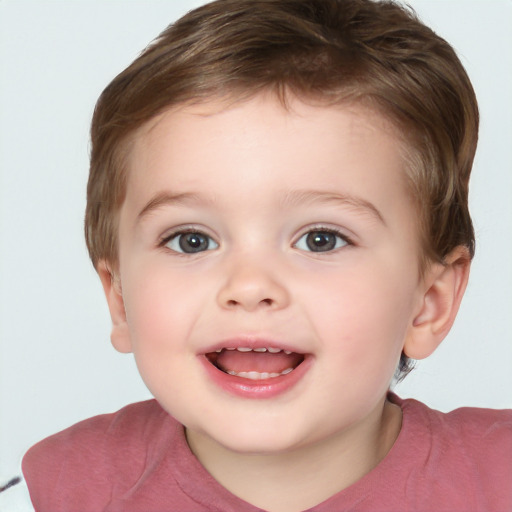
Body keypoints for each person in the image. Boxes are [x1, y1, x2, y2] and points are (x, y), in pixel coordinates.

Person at [2, 0, 511, 510]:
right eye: (191, 240)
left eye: (321, 239)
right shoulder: (53, 493)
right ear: (119, 298)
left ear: (429, 301)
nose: (249, 286)